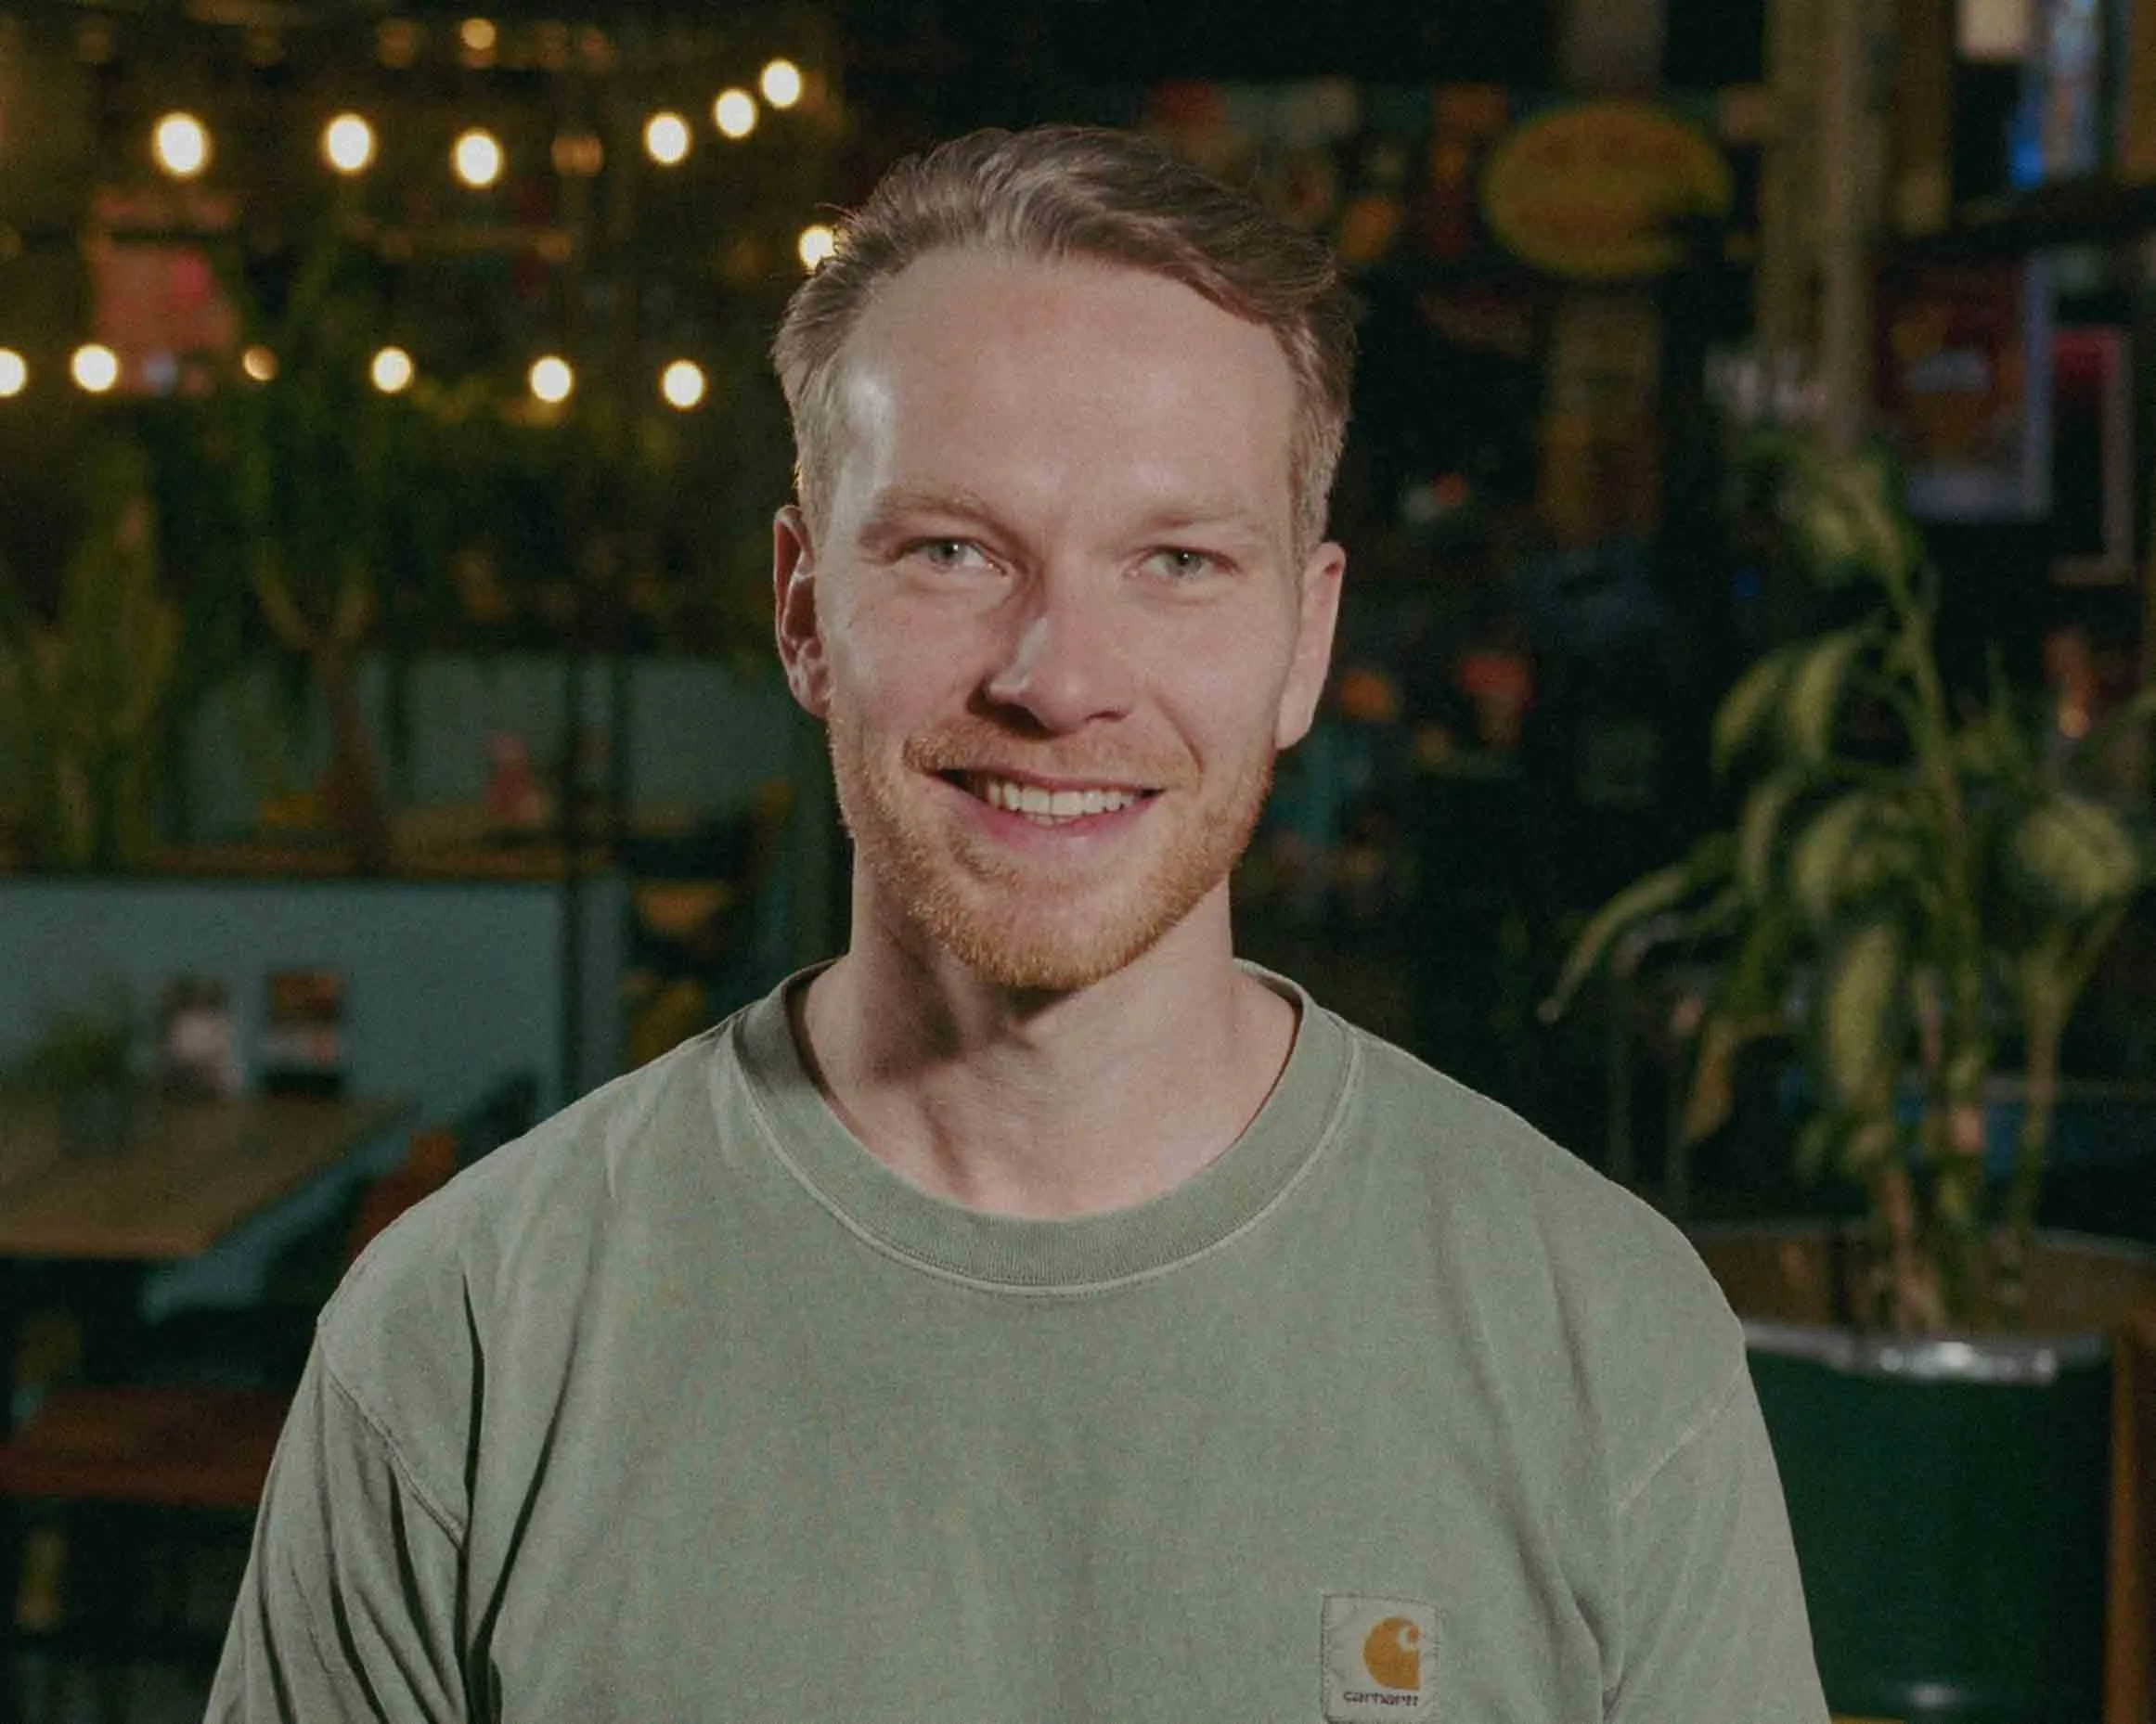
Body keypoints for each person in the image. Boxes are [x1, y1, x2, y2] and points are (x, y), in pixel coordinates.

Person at [208, 124, 1825, 1720]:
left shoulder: (1599, 1332)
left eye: (1176, 559)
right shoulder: (469, 1340)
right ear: (801, 613)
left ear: (1304, 640)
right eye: (953, 551)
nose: (1056, 679)